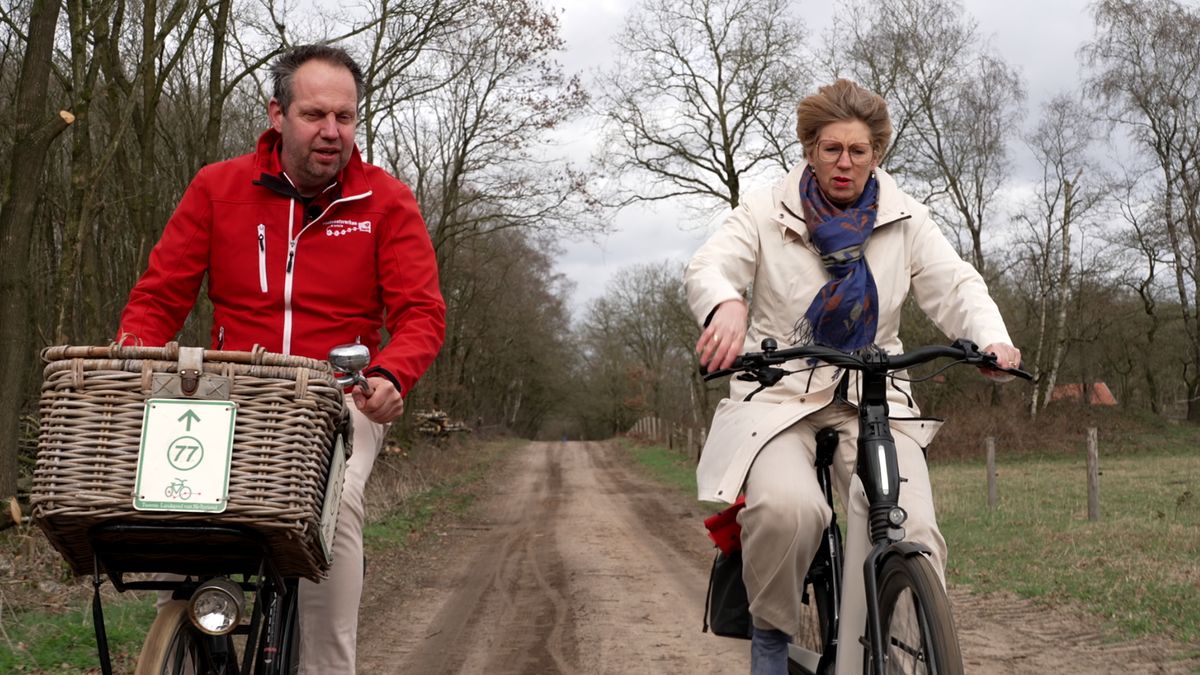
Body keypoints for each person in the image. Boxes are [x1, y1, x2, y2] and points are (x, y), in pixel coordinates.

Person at [117, 44, 446, 673]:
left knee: (333, 509)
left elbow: (421, 313)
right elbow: (160, 295)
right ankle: (186, 637)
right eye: (315, 114)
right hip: (230, 390)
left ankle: (324, 663)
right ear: (277, 113)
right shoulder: (218, 188)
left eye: (345, 117)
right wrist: (134, 357)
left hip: (341, 396)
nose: (331, 132)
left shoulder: (386, 201)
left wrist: (389, 373)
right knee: (181, 501)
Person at [684, 78, 1021, 675]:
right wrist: (725, 305)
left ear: (877, 155)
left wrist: (992, 337)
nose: (844, 163)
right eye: (831, 149)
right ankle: (771, 632)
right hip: (779, 395)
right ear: (809, 150)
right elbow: (711, 265)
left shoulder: (907, 218)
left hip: (873, 394)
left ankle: (889, 646)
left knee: (908, 522)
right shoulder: (766, 210)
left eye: (858, 151)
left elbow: (957, 284)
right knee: (790, 511)